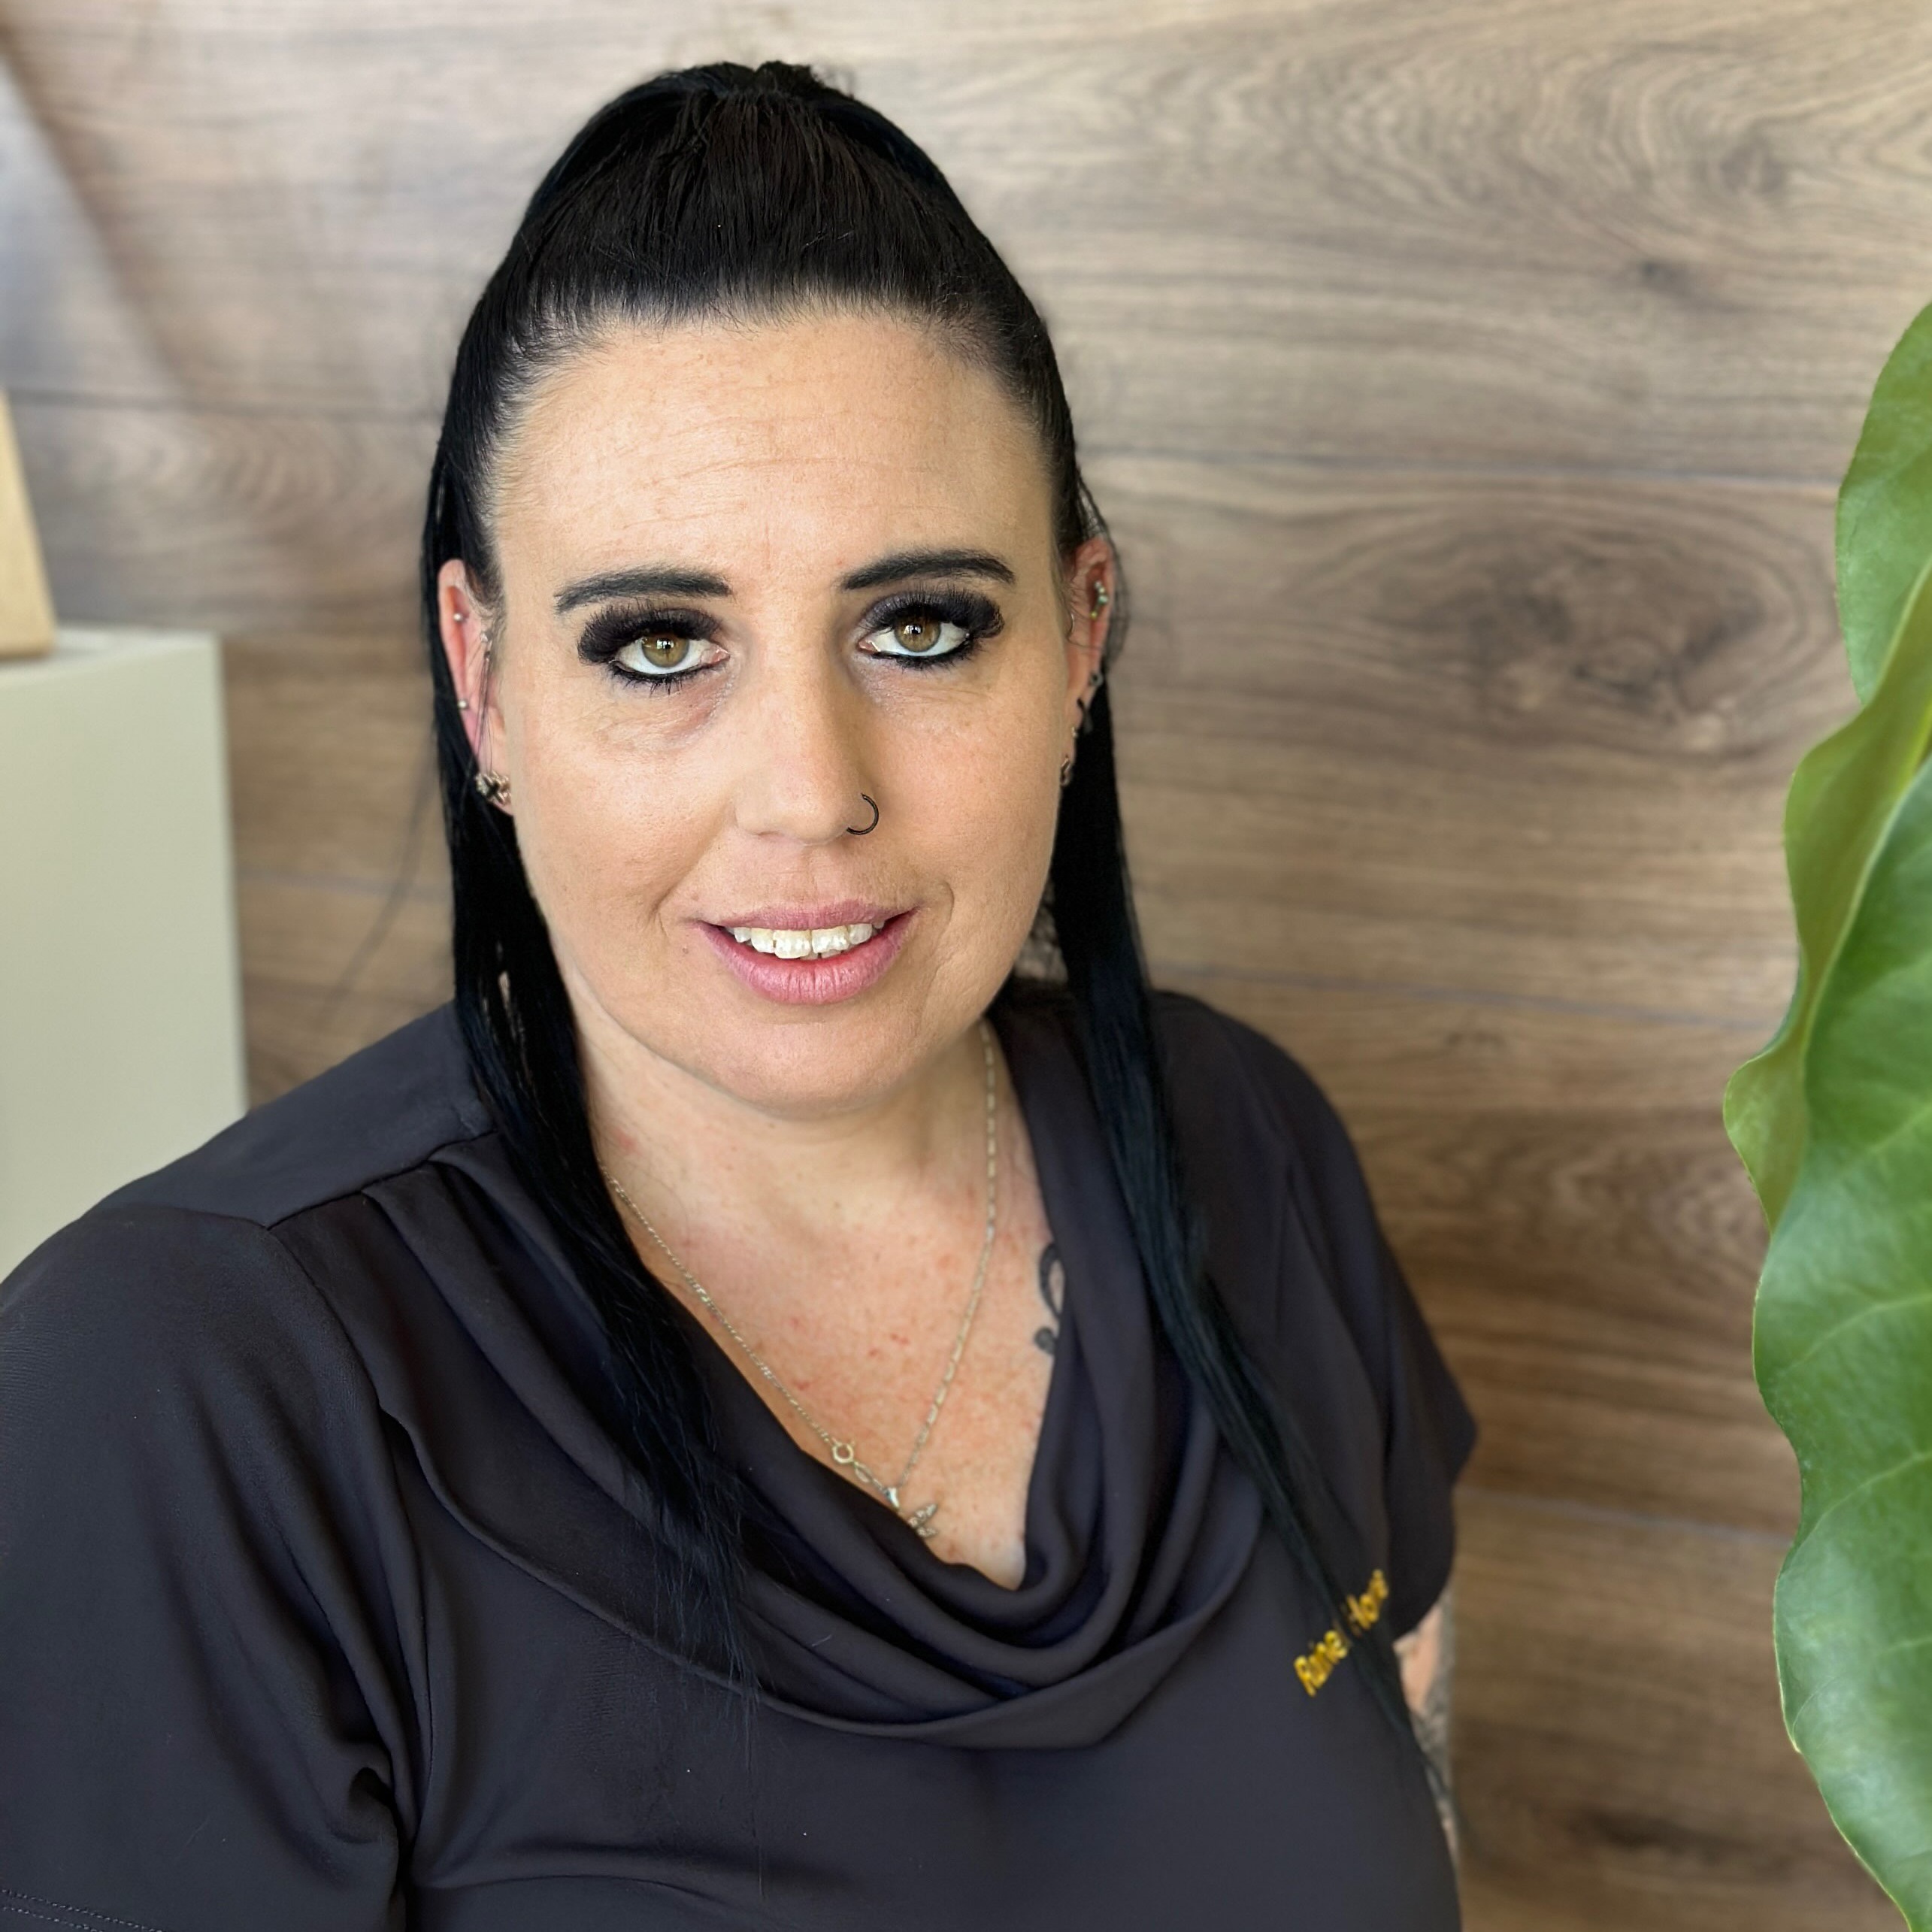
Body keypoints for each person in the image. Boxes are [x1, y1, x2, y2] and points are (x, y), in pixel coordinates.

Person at [0, 62, 1473, 1930]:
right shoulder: (178, 1390)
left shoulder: (1244, 1141)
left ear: (1081, 635)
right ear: (484, 684)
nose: (808, 791)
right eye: (657, 644)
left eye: (919, 626)